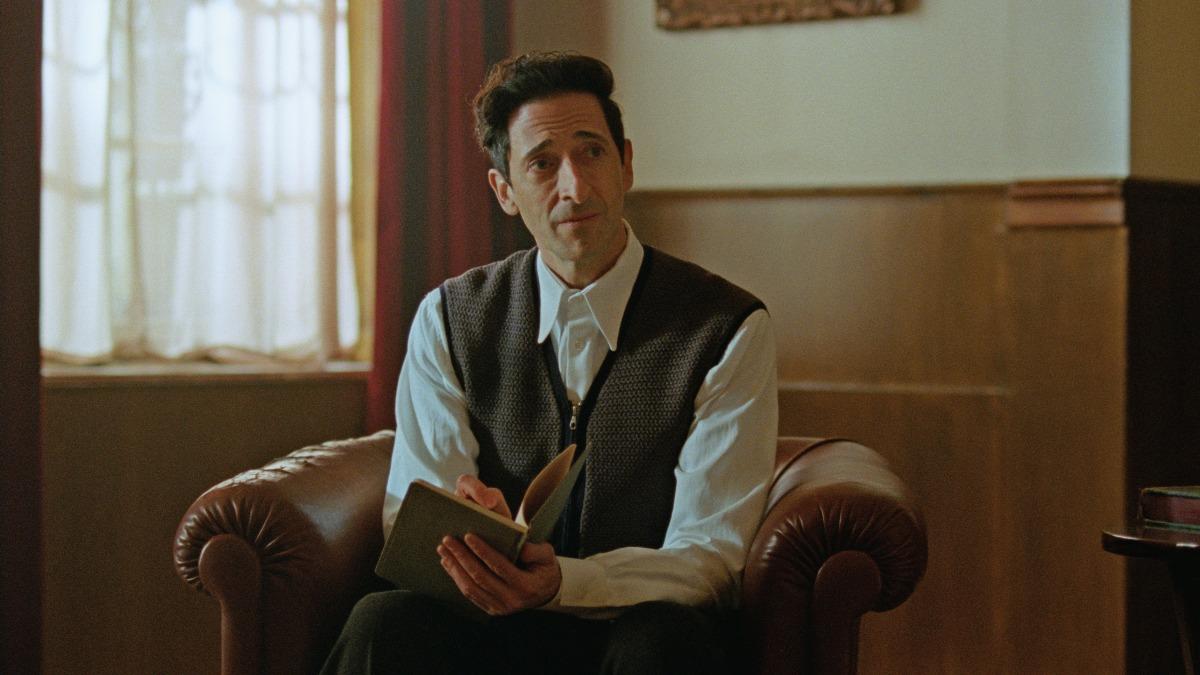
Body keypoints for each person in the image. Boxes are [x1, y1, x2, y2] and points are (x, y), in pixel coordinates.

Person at [321, 51, 777, 675]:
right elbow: (416, 514)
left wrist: (566, 582)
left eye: (592, 152)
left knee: (662, 643)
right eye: (542, 164)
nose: (575, 188)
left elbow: (711, 557)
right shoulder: (450, 317)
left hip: (635, 626)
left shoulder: (726, 326)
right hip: (490, 628)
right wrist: (469, 534)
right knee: (384, 623)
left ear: (626, 164)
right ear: (505, 192)